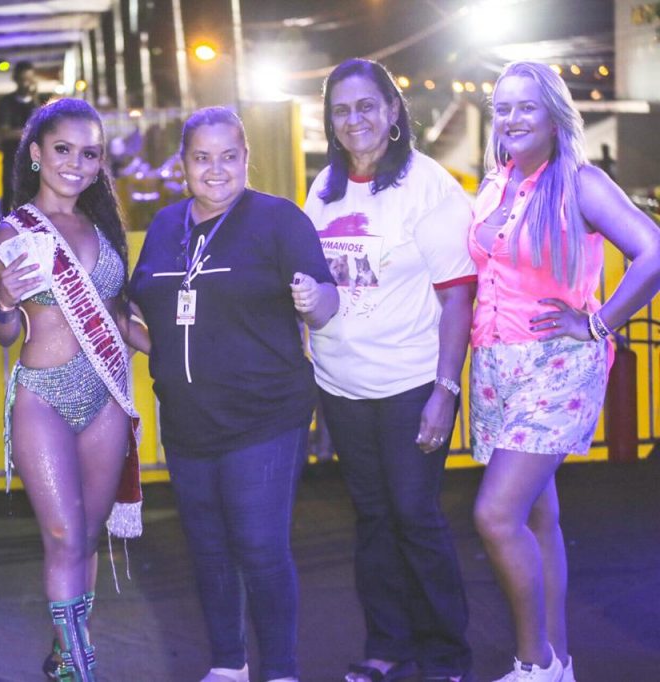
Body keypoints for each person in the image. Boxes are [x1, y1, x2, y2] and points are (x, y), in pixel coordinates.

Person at [129, 106, 339, 682]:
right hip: (187, 421)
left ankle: (281, 671)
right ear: (183, 163)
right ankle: (228, 665)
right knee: (209, 549)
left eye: (228, 156)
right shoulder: (165, 227)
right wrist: (125, 332)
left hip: (264, 416)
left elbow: (326, 301)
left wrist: (312, 300)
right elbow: (142, 314)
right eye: (202, 157)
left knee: (259, 546)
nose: (215, 169)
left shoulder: (278, 219)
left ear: (246, 158)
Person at [470, 61, 660, 682]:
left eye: (527, 106)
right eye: (503, 107)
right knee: (535, 517)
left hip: (557, 369)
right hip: (497, 368)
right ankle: (560, 663)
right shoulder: (493, 183)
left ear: (554, 116)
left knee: (496, 515)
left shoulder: (581, 181)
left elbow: (653, 252)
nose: (513, 118)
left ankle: (535, 661)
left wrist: (599, 324)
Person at [303, 59, 476, 682]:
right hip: (342, 387)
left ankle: (446, 654)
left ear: (394, 110)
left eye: (367, 106)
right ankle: (387, 643)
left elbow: (459, 297)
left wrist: (445, 392)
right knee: (374, 518)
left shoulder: (429, 187)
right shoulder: (324, 189)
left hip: (411, 386)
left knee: (415, 515)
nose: (355, 120)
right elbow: (317, 290)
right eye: (341, 110)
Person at [0, 97, 148, 681]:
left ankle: (64, 656)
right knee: (61, 534)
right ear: (35, 153)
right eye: (62, 149)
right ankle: (81, 668)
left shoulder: (104, 227)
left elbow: (119, 317)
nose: (75, 164)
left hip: (104, 394)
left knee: (86, 537)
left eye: (89, 154)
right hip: (44, 397)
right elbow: (4, 334)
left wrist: (185, 352)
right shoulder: (13, 230)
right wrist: (5, 301)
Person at [0, 60, 40, 213]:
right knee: (9, 197)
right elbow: (4, 133)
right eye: (22, 79)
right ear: (16, 79)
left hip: (33, 161)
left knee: (34, 199)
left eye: (29, 79)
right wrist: (30, 132)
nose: (26, 84)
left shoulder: (37, 103)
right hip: (11, 159)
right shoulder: (6, 103)